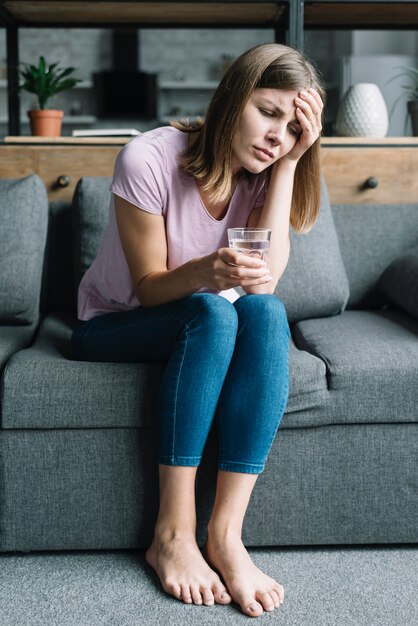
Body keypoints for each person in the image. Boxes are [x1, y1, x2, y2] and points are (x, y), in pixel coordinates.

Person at [72, 43, 324, 618]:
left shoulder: (268, 169)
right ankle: (172, 534)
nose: (274, 136)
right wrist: (208, 272)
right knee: (213, 309)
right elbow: (148, 288)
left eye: (292, 128)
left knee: (264, 313)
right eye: (267, 112)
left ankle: (226, 537)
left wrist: (287, 166)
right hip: (112, 322)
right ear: (233, 97)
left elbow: (262, 287)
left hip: (201, 322)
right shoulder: (148, 158)